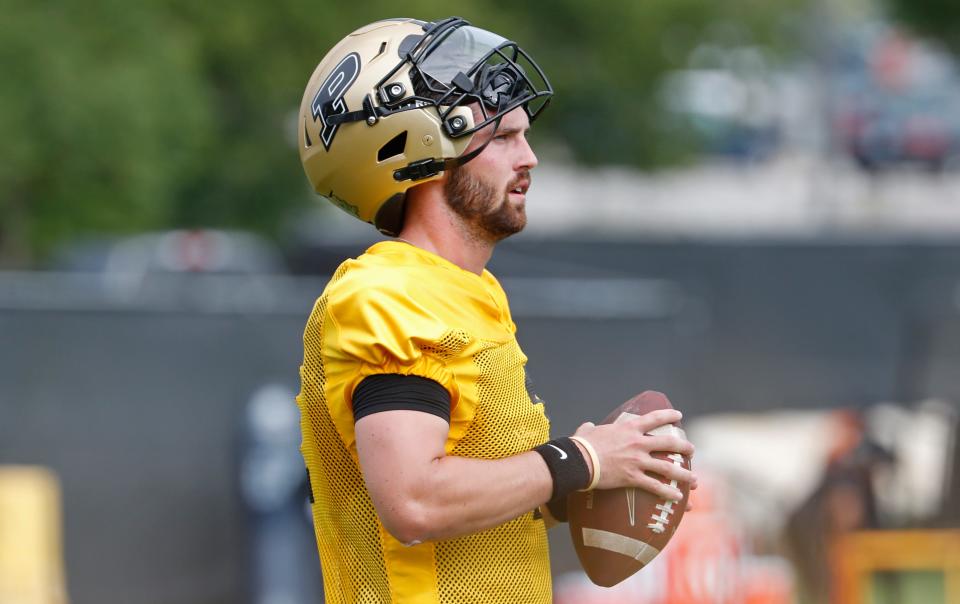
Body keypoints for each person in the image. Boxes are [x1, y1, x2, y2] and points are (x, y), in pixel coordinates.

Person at [295, 17, 696, 604]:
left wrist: (602, 473)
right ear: (420, 148)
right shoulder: (385, 293)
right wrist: (580, 459)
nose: (529, 157)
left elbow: (471, 511)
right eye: (504, 137)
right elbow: (415, 501)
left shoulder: (465, 290)